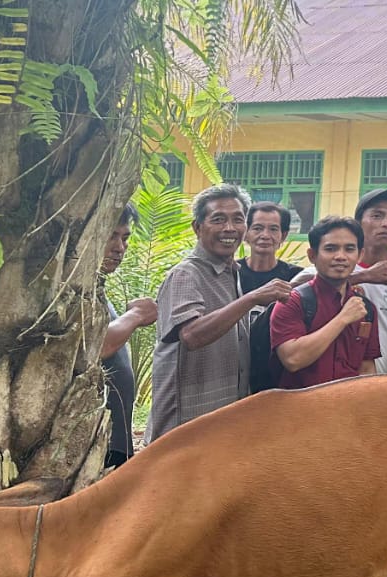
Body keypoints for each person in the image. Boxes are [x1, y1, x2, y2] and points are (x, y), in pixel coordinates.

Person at [263, 215, 381, 577]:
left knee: (336, 515)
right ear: (313, 255)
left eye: (350, 249)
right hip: (297, 427)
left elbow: (368, 367)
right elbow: (293, 358)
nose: (341, 256)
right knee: (297, 516)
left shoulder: (363, 302)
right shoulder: (295, 302)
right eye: (331, 249)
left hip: (345, 429)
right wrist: (341, 319)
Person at [148, 184, 291, 443]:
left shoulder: (230, 271)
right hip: (186, 426)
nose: (230, 228)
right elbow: (191, 334)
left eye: (238, 219)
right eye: (218, 219)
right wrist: (252, 298)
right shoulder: (186, 274)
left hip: (222, 420)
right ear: (197, 227)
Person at [296, 187, 387, 374]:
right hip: (330, 383)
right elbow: (290, 294)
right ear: (359, 222)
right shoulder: (330, 266)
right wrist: (362, 277)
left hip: (385, 383)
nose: (386, 224)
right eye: (377, 216)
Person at [99, 204, 156, 469]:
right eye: (111, 235)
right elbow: (96, 347)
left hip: (113, 439)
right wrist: (135, 315)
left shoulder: (98, 289)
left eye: (125, 238)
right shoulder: (74, 288)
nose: (119, 247)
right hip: (96, 442)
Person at [239, 201, 303, 294]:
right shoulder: (232, 274)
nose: (265, 235)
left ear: (283, 236)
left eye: (273, 229)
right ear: (245, 233)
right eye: (257, 228)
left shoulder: (296, 277)